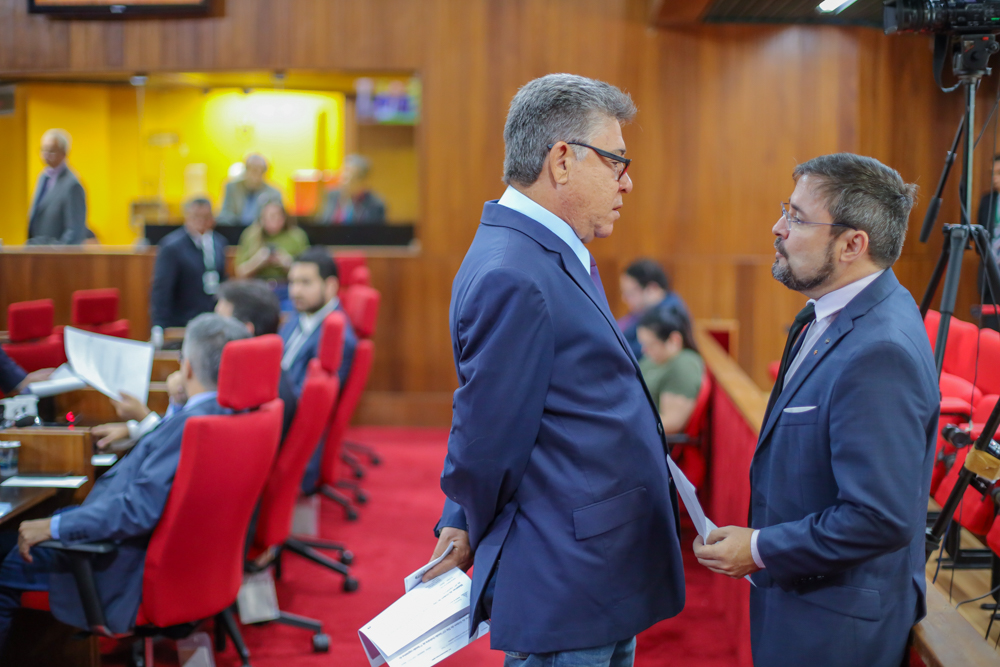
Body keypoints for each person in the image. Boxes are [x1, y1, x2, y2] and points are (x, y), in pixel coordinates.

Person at [423, 74, 684, 667]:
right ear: (562, 160)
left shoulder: (547, 249)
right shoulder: (513, 272)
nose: (627, 181)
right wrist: (465, 517)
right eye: (617, 161)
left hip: (599, 562)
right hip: (567, 572)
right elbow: (488, 437)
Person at [692, 154, 939, 667]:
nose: (778, 228)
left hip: (836, 629)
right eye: (787, 210)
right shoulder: (820, 317)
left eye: (799, 218)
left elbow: (878, 517)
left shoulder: (880, 350)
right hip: (807, 602)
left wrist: (758, 548)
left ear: (852, 245)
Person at [0, 314, 249, 647]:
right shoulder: (233, 415)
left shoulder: (193, 426)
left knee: (5, 563)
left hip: (118, 564)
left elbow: (135, 510)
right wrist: (177, 403)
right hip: (175, 559)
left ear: (187, 367)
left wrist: (54, 527)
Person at [93, 280, 298, 448]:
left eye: (219, 321)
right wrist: (136, 428)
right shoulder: (266, 376)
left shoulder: (251, 392)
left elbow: (193, 449)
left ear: (245, 329)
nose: (211, 328)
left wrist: (145, 418)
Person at [149, 197, 229, 342]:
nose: (201, 221)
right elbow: (161, 289)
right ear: (187, 217)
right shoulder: (172, 247)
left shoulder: (219, 242)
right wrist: (159, 325)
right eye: (196, 217)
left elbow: (222, 278)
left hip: (212, 320)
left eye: (206, 217)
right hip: (183, 322)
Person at [636, 308, 704, 434]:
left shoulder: (683, 366)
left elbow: (671, 422)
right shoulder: (655, 359)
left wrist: (628, 426)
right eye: (643, 344)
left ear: (674, 339)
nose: (644, 350)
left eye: (650, 344)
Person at [234, 197, 310, 304]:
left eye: (278, 216)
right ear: (261, 218)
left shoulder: (296, 236)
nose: (274, 220)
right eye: (269, 216)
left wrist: (286, 262)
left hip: (287, 288)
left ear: (284, 217)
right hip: (257, 288)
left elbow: (307, 272)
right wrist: (258, 261)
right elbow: (240, 273)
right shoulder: (251, 235)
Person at [617, 258, 689, 359]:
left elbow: (633, 352)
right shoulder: (643, 311)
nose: (624, 298)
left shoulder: (668, 316)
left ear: (652, 289)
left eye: (630, 293)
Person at [27, 129, 87, 245]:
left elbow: (75, 232)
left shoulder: (72, 185)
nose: (46, 154)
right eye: (43, 149)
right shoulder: (43, 177)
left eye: (51, 150)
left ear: (64, 153)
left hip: (55, 253)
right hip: (36, 250)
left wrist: (57, 253)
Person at [316, 154, 386, 224]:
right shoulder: (332, 195)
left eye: (349, 177)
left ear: (362, 181)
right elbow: (322, 221)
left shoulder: (375, 205)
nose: (343, 181)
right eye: (343, 175)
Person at [217, 153, 283, 226]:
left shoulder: (274, 193)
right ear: (246, 170)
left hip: (260, 230)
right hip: (234, 228)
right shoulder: (232, 187)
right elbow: (224, 214)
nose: (256, 175)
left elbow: (277, 219)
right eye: (254, 170)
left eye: (261, 171)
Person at [977, 154, 1000, 305]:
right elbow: (981, 238)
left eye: (999, 173)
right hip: (990, 277)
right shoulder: (987, 201)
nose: (994, 178)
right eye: (993, 173)